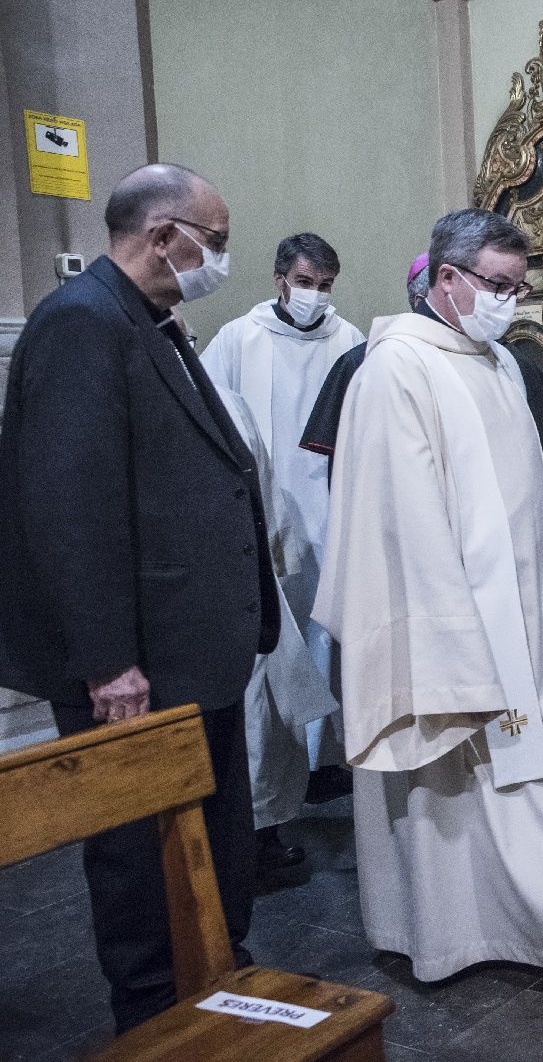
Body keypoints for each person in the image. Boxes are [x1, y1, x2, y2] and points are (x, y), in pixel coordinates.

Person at [314, 208, 543, 987]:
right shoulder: (395, 370)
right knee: (494, 782)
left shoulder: (493, 362)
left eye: (519, 286)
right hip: (463, 625)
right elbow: (398, 525)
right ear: (446, 279)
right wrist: (456, 643)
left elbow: (532, 494)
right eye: (497, 284)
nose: (510, 301)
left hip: (534, 611)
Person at [0, 163, 278, 1032]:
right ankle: (156, 1009)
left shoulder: (148, 321)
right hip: (138, 661)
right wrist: (107, 660)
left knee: (213, 829)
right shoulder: (79, 324)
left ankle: (215, 969)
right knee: (138, 846)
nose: (219, 257)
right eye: (215, 240)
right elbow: (68, 509)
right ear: (164, 236)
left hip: (194, 646)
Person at [202, 232, 364, 829]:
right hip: (267, 517)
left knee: (330, 636)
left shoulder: (347, 340)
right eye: (305, 283)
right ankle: (279, 771)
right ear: (279, 280)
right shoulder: (239, 339)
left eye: (325, 286)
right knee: (283, 641)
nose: (315, 297)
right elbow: (213, 421)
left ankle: (329, 760)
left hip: (333, 512)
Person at [203, 355, 339, 884]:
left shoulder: (227, 402)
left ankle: (261, 836)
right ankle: (233, 847)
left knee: (259, 722)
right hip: (206, 590)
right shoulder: (238, 351)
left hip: (247, 580)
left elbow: (260, 481)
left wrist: (274, 560)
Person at [301, 251, 543, 512]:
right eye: (496, 288)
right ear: (431, 295)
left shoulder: (516, 364)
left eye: (512, 290)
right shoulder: (371, 361)